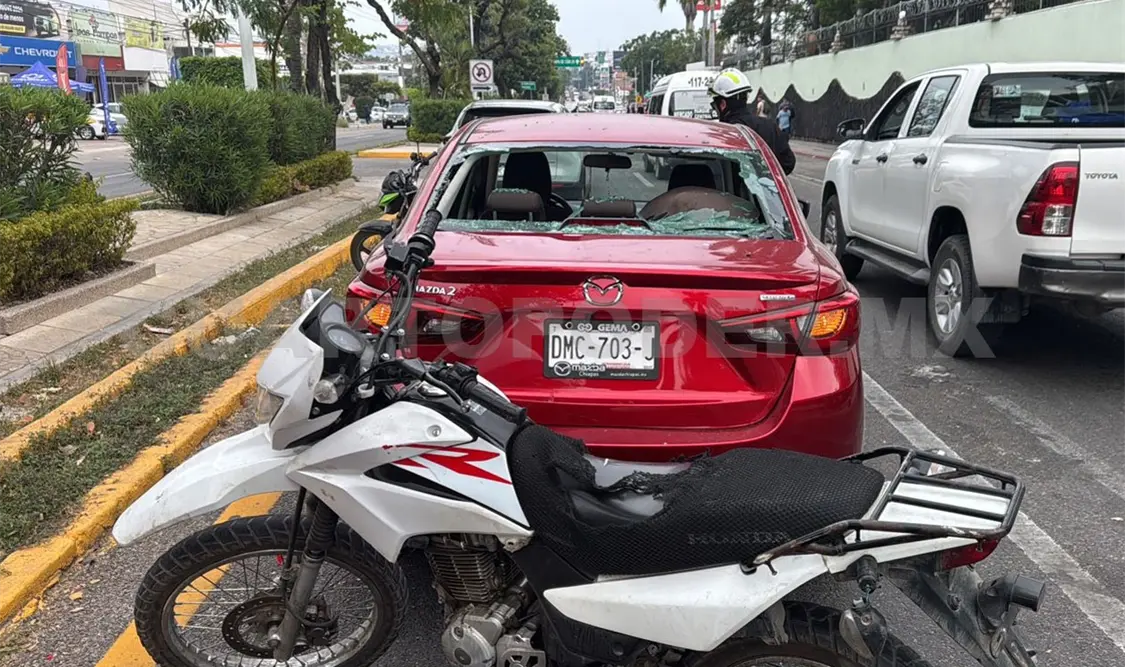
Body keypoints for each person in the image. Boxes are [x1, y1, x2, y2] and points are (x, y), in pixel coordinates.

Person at [708, 68, 796, 175]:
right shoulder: (770, 127)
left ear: (722, 104)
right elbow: (788, 162)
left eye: (714, 105)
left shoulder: (724, 134)